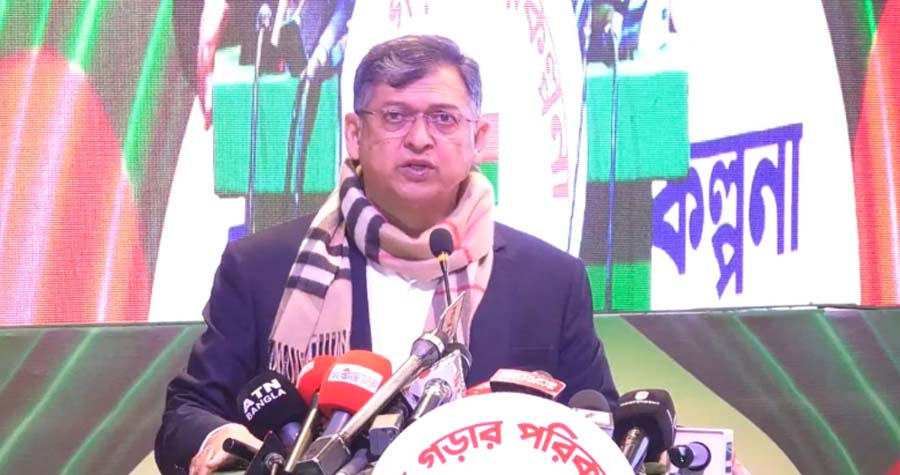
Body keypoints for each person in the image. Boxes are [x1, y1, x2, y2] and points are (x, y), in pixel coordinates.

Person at [154, 34, 619, 475]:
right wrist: (218, 436)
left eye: (444, 119)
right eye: (395, 116)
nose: (419, 139)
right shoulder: (260, 268)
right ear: (354, 134)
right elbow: (187, 414)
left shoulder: (550, 281)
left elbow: (599, 432)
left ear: (478, 138)